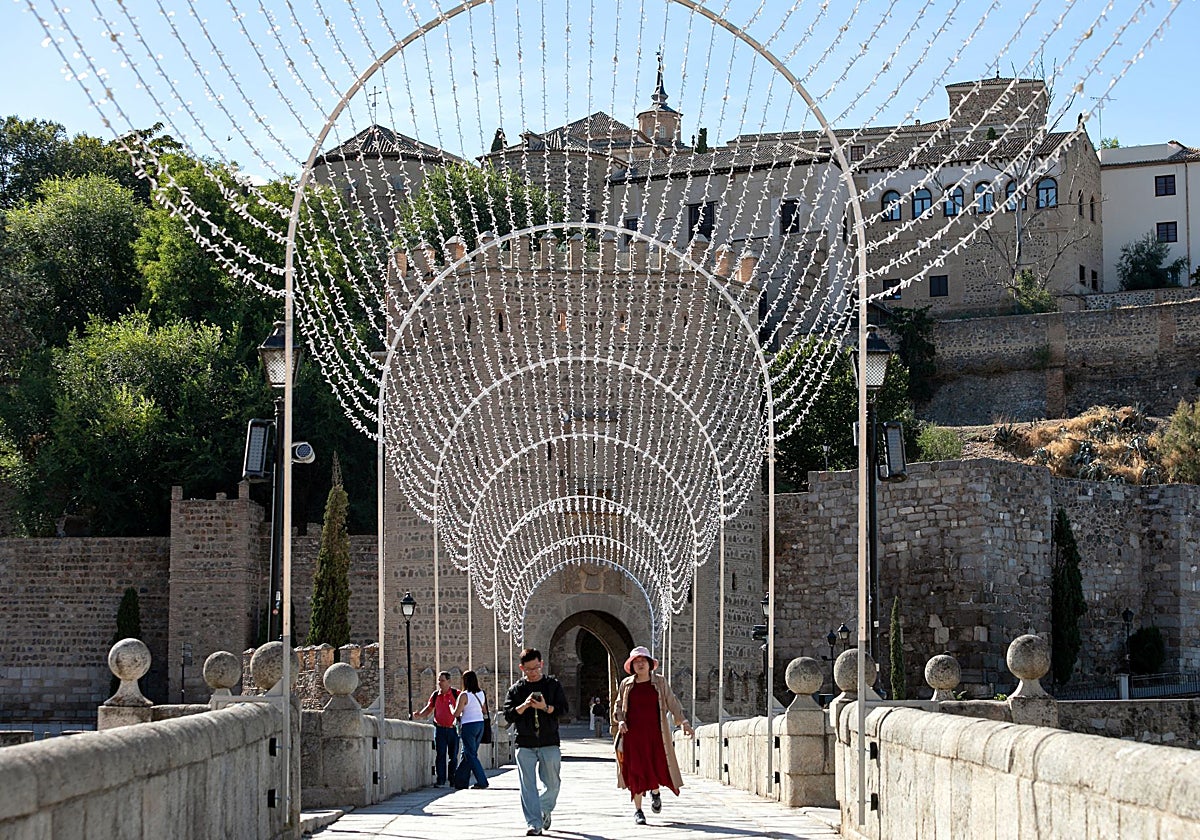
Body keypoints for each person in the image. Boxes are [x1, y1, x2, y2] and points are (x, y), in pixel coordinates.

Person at [612, 645, 693, 826]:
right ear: (632, 666)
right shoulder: (626, 684)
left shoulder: (660, 682)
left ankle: (655, 793)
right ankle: (638, 811)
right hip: (632, 736)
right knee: (636, 770)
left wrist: (684, 723)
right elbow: (618, 707)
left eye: (643, 661)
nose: (640, 665)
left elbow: (672, 702)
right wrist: (621, 721)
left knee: (653, 766)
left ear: (649, 664)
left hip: (655, 734)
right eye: (636, 662)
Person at [503, 648, 568, 836]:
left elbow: (563, 710)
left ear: (541, 664)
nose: (533, 672)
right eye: (528, 669)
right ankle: (534, 823)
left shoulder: (552, 685)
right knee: (527, 786)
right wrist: (524, 706)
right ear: (521, 668)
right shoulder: (516, 690)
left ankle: (543, 808)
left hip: (549, 742)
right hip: (524, 744)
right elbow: (508, 714)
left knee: (553, 783)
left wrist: (545, 707)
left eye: (536, 668)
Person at [412, 670, 460, 788]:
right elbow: (429, 709)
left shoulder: (456, 694)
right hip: (440, 729)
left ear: (449, 681)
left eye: (442, 680)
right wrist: (420, 715)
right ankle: (441, 780)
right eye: (439, 680)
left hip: (453, 729)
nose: (440, 683)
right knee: (440, 755)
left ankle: (453, 779)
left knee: (453, 756)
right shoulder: (435, 695)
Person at [451, 669, 490, 789]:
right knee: (466, 754)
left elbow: (456, 713)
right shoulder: (481, 693)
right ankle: (460, 781)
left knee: (471, 755)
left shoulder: (464, 695)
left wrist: (451, 708)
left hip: (468, 725)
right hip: (480, 724)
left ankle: (482, 781)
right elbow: (484, 710)